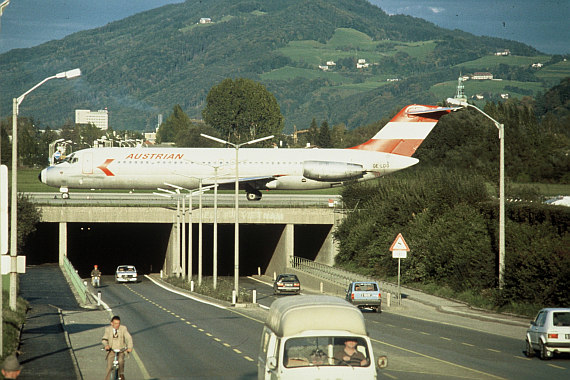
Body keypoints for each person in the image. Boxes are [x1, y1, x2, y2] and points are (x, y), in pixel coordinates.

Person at [102, 315, 133, 380]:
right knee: (109, 367)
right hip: (111, 351)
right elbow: (104, 339)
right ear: (111, 323)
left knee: (121, 361)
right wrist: (106, 345)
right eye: (115, 323)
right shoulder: (108, 329)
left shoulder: (123, 328)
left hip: (121, 350)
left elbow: (128, 338)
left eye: (118, 323)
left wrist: (129, 347)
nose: (117, 325)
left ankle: (121, 374)